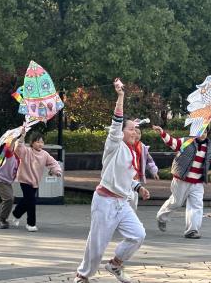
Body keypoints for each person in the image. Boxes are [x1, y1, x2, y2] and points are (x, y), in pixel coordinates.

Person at [73, 79, 151, 283]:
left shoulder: (133, 152)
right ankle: (83, 275)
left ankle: (115, 264)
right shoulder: (114, 145)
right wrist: (121, 96)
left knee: (138, 234)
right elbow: (116, 122)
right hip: (104, 201)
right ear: (121, 132)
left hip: (122, 202)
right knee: (97, 245)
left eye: (136, 129)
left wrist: (139, 187)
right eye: (131, 128)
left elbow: (126, 178)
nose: (135, 132)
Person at [152, 125, 211, 239]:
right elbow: (172, 142)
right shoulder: (186, 141)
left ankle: (192, 230)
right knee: (176, 202)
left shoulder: (210, 147)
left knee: (197, 205)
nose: (203, 134)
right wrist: (162, 133)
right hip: (181, 180)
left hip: (198, 182)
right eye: (201, 131)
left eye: (205, 132)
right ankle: (161, 217)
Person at [11, 130, 62, 232]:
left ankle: (16, 214)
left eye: (42, 142)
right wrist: (22, 137)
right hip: (25, 180)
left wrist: (57, 171)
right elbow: (18, 148)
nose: (40, 144)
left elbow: (53, 163)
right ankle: (31, 224)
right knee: (31, 202)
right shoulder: (27, 151)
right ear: (32, 143)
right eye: (38, 142)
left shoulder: (45, 154)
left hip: (35, 181)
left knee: (27, 200)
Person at [0, 138, 19, 229]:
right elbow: (8, 149)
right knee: (9, 199)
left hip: (7, 182)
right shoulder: (9, 155)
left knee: (8, 199)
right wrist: (13, 139)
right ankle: (2, 219)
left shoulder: (18, 158)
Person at [129, 127, 159, 209]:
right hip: (126, 175)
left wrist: (154, 171)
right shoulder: (125, 144)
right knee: (127, 197)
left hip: (136, 176)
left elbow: (149, 160)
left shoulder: (142, 147)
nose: (137, 135)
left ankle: (131, 215)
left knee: (134, 199)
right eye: (135, 132)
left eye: (139, 133)